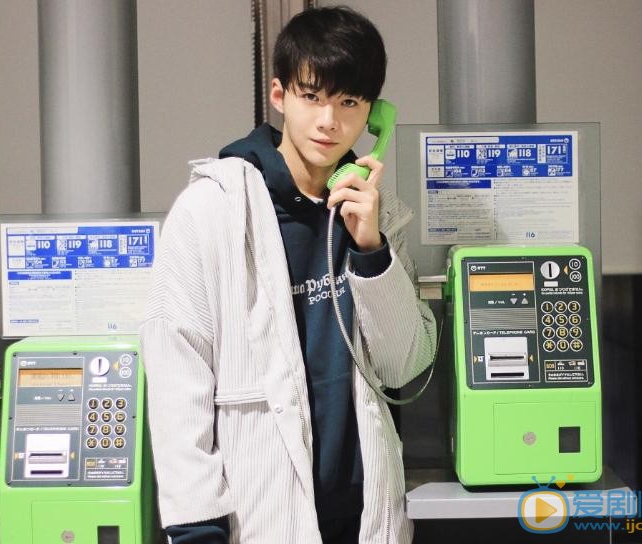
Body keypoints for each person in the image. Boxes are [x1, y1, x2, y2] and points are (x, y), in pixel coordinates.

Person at [140, 6, 436, 544]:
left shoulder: (376, 214)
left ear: (374, 114)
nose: (329, 121)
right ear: (279, 96)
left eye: (349, 102)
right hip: (259, 517)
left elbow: (403, 366)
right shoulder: (212, 209)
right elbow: (177, 372)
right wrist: (196, 527)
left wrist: (371, 251)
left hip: (366, 517)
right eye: (312, 96)